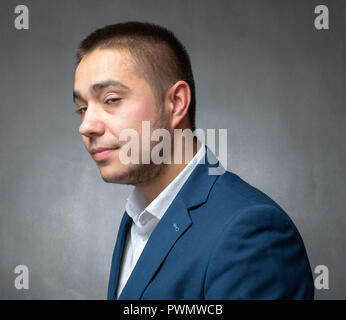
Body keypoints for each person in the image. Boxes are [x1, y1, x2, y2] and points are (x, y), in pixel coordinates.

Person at [73, 21, 314, 299]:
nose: (86, 125)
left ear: (176, 103)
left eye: (111, 99)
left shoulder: (251, 232)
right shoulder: (138, 219)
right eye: (81, 108)